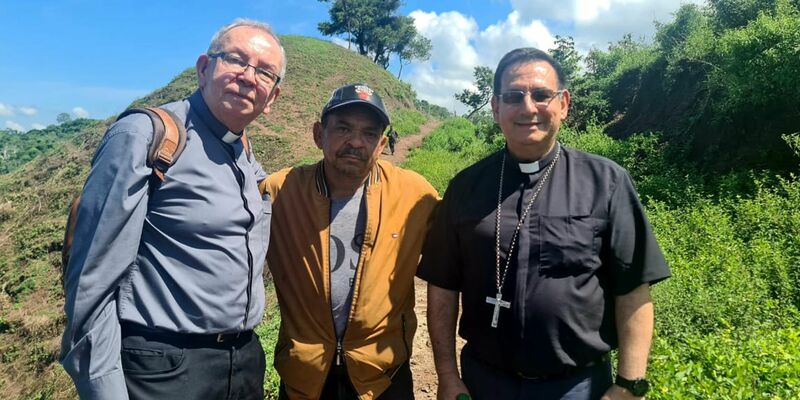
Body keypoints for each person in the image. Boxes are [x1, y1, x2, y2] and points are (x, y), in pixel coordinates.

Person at [418, 48, 671, 400]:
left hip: (577, 386)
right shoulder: (465, 187)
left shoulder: (606, 182)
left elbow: (633, 288)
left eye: (541, 95)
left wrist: (629, 384)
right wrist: (446, 374)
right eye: (513, 97)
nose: (527, 108)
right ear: (495, 108)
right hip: (484, 382)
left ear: (563, 104)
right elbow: (443, 287)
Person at [60, 19, 285, 400]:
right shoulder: (146, 136)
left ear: (272, 98)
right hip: (165, 369)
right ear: (203, 68)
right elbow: (90, 282)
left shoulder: (245, 154)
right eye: (236, 60)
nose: (249, 77)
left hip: (241, 364)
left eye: (265, 72)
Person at [262, 83, 439, 400]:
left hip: (383, 377)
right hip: (305, 377)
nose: (356, 142)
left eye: (369, 134)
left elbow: (458, 251)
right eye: (343, 128)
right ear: (319, 134)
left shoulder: (415, 194)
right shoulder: (280, 192)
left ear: (382, 143)